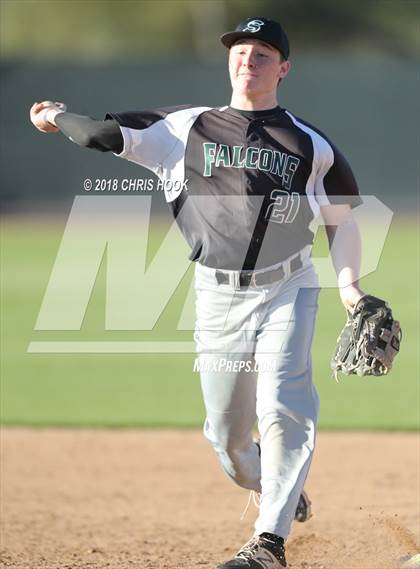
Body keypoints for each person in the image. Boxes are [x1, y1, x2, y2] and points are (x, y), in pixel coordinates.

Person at [30, 16, 365, 569]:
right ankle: (281, 490)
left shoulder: (309, 143)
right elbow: (96, 135)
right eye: (239, 50)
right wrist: (54, 114)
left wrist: (353, 293)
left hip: (290, 285)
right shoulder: (185, 128)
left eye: (262, 53)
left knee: (284, 407)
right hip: (217, 295)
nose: (247, 60)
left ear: (283, 68)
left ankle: (268, 544)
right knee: (229, 441)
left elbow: (341, 220)